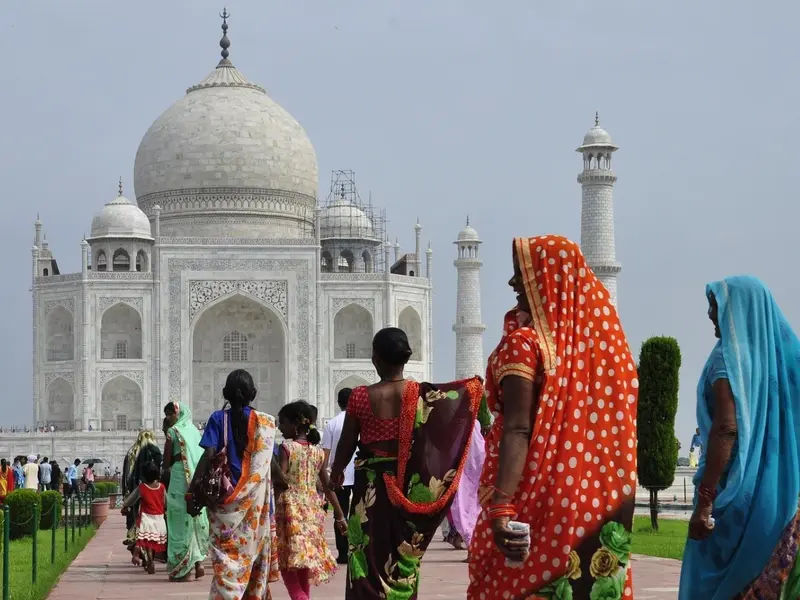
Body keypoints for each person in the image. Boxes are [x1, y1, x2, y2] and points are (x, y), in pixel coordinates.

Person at [468, 235, 639, 599]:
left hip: (531, 496)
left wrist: (501, 507)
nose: (515, 282)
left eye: (524, 272)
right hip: (593, 504)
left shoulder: (525, 342)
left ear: (551, 278)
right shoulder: (602, 352)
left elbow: (517, 428)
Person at [330, 327, 483, 599]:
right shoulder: (420, 395)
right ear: (405, 359)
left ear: (375, 358)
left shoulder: (360, 397)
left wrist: (337, 472)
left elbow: (347, 442)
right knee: (402, 553)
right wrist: (471, 390)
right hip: (407, 488)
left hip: (370, 491)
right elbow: (444, 425)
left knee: (366, 551)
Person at [679, 276, 800, 599]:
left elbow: (726, 429)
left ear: (741, 309)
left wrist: (705, 502)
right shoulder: (784, 359)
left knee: (712, 585)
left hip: (734, 495)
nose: (710, 314)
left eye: (717, 306)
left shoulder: (727, 359)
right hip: (781, 498)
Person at [190, 369, 281, 600]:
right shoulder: (266, 423)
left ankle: (229, 595)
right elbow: (273, 467)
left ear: (224, 394)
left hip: (224, 505)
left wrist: (193, 490)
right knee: (253, 557)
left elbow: (209, 455)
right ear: (254, 394)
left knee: (227, 562)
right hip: (255, 507)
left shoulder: (218, 419)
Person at [274, 400, 345, 599]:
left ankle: (300, 598)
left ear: (295, 424)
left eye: (283, 422)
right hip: (312, 510)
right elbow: (328, 486)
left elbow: (281, 482)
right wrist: (340, 516)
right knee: (303, 560)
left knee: (286, 560)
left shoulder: (287, 448)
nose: (280, 427)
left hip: (290, 510)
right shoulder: (317, 452)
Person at [162, 402, 208, 582]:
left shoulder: (172, 432)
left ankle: (183, 570)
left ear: (177, 414)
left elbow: (166, 463)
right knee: (193, 517)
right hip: (195, 480)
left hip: (179, 477)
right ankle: (199, 563)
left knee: (178, 519)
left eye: (169, 415)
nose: (168, 418)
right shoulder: (194, 431)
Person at [321, 387, 356, 564]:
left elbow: (325, 454)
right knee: (360, 514)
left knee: (340, 514)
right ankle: (358, 551)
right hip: (359, 475)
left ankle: (343, 553)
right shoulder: (360, 421)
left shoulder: (332, 423)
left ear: (338, 403)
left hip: (338, 476)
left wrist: (326, 476)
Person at [444, 419, 486, 559]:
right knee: (469, 511)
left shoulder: (462, 422)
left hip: (464, 471)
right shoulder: (473, 422)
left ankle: (471, 549)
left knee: (462, 510)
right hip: (471, 471)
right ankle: (472, 549)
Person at [123, 430, 163, 564]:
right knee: (151, 530)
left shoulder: (132, 452)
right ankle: (147, 555)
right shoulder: (154, 451)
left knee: (137, 523)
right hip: (152, 491)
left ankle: (138, 550)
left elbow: (126, 475)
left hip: (135, 491)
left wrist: (126, 495)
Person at [122, 461, 167, 575]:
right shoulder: (161, 487)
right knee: (153, 540)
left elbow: (129, 501)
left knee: (146, 541)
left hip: (146, 518)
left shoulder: (142, 487)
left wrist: (125, 506)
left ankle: (149, 560)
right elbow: (166, 502)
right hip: (159, 519)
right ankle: (149, 560)